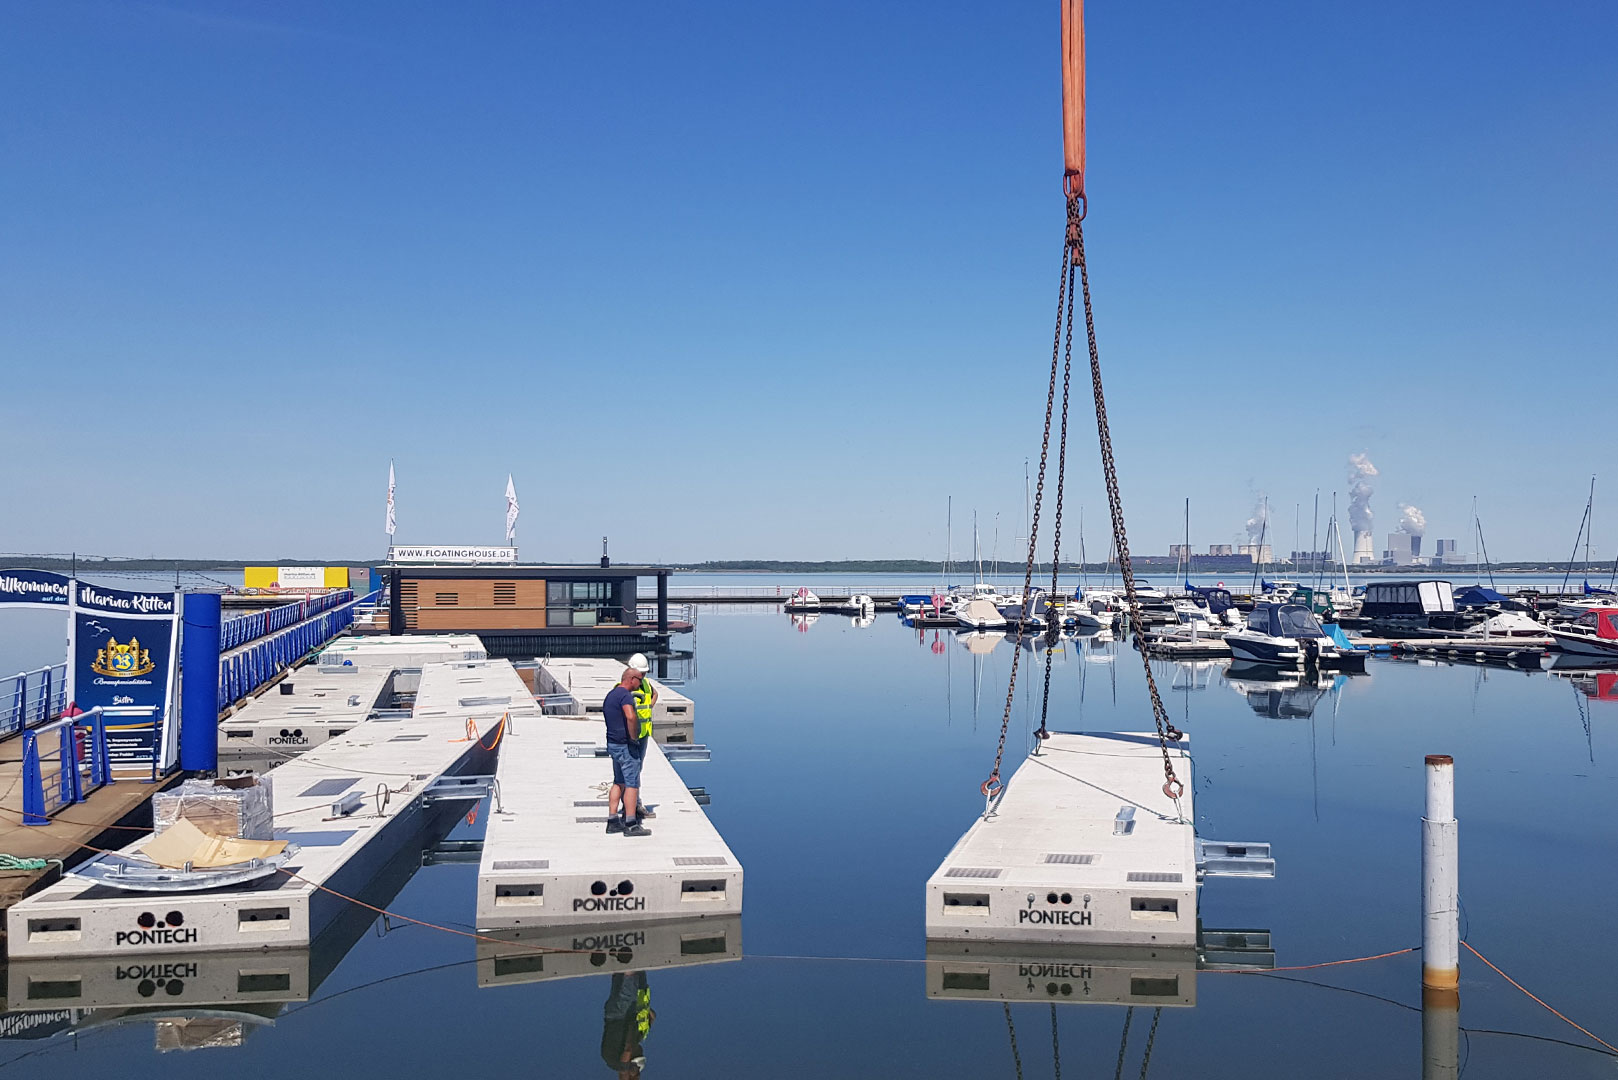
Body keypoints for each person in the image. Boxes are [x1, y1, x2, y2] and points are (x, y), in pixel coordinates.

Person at [603, 667, 651, 836]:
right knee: (632, 783)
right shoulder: (625, 697)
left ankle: (612, 820)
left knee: (618, 782)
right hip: (625, 746)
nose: (641, 682)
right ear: (631, 679)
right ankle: (631, 823)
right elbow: (630, 716)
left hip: (613, 744)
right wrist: (634, 738)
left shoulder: (611, 695)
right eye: (640, 678)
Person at [600, 970, 653, 1077]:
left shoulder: (622, 1065)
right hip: (612, 1016)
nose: (640, 1051)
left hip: (623, 1015)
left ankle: (628, 957)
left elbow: (628, 1048)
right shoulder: (612, 1062)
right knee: (619, 976)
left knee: (631, 973)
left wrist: (642, 1010)